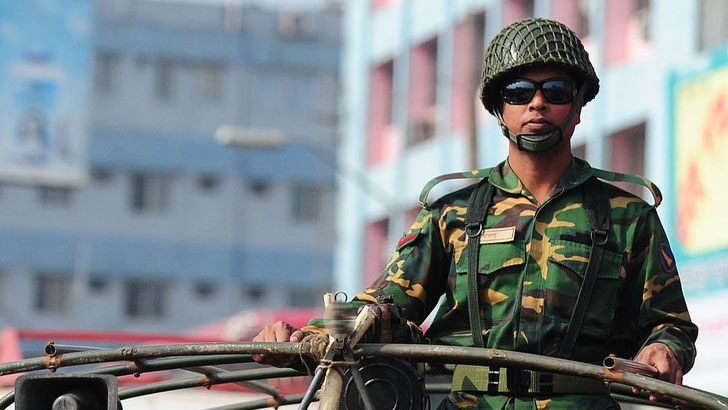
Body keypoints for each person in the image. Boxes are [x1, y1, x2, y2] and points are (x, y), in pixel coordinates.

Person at [253, 17, 698, 410]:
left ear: (579, 106)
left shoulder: (627, 217)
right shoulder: (454, 213)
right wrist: (301, 335)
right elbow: (380, 306)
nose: (537, 104)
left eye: (556, 90)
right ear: (498, 109)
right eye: (518, 92)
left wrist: (664, 349)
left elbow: (671, 325)